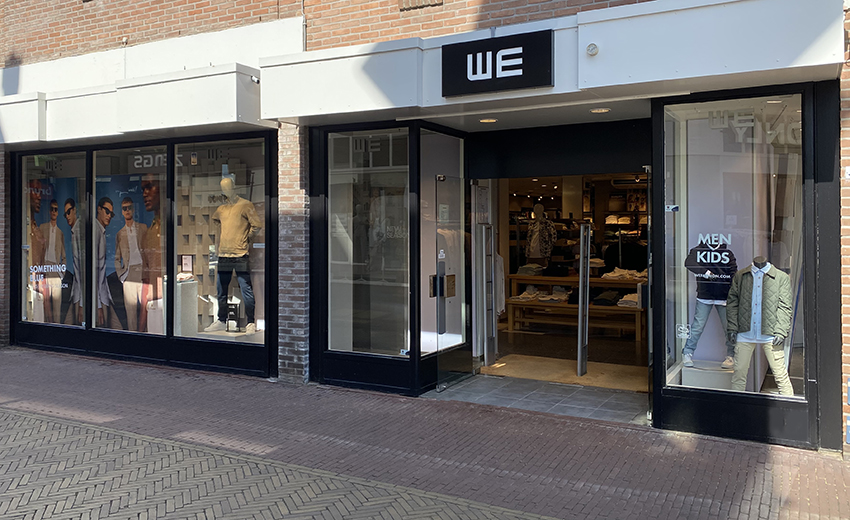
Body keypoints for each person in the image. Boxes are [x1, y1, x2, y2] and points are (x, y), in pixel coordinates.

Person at [726, 256, 794, 396]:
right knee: (738, 375)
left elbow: (785, 306)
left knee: (781, 376)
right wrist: (732, 327)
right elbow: (732, 303)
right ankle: (735, 408)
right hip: (744, 333)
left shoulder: (781, 277)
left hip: (771, 334)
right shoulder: (741, 275)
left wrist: (781, 331)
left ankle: (790, 408)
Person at [204, 177, 262, 334]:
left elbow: (257, 225)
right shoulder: (221, 209)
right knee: (221, 290)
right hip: (224, 254)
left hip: (240, 253)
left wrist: (245, 239)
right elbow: (216, 221)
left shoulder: (245, 205)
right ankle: (221, 320)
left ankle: (250, 322)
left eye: (228, 187)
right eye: (223, 188)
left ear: (234, 187)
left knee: (246, 288)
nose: (226, 190)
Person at [682, 240, 738, 368]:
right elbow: (689, 263)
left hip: (723, 296)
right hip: (705, 295)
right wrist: (707, 273)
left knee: (729, 328)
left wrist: (732, 292)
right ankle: (687, 352)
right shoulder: (698, 251)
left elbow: (733, 273)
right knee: (697, 326)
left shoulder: (727, 253)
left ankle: (731, 355)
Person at [115, 197, 147, 332]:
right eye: (124, 208)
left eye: (129, 208)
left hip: (142, 271)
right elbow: (117, 258)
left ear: (133, 210)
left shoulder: (143, 228)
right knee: (131, 312)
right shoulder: (120, 233)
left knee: (146, 308)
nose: (127, 210)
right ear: (122, 212)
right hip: (128, 273)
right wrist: (121, 276)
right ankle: (133, 336)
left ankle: (148, 335)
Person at [94, 197, 122, 329]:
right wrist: (98, 305)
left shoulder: (101, 231)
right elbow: (93, 271)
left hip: (104, 295)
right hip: (100, 298)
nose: (109, 216)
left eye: (111, 213)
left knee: (117, 328)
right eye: (107, 211)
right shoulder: (95, 232)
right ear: (98, 209)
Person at [141, 174, 163, 333]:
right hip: (154, 304)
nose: (145, 194)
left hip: (174, 301)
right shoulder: (148, 233)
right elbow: (146, 280)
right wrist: (142, 324)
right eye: (143, 189)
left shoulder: (175, 228)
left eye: (149, 187)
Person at [39, 199, 65, 323]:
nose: (54, 212)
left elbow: (64, 256)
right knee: (45, 304)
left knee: (57, 305)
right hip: (45, 268)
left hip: (56, 269)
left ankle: (58, 327)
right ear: (49, 211)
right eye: (52, 209)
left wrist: (61, 274)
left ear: (58, 212)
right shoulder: (42, 227)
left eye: (56, 209)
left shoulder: (60, 233)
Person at [62, 198, 84, 325]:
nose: (67, 216)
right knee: (68, 324)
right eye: (65, 214)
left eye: (69, 212)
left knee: (75, 324)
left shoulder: (79, 231)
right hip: (75, 291)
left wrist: (82, 304)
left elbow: (83, 269)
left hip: (79, 294)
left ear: (75, 210)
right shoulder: (74, 231)